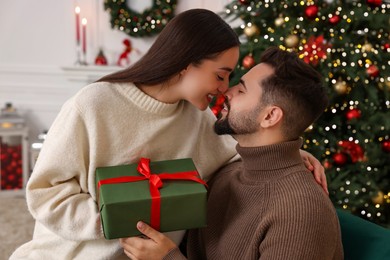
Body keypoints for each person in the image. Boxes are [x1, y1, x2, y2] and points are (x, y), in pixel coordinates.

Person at [10, 10, 326, 260]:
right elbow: (44, 192)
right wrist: (116, 221)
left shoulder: (198, 116)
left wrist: (292, 153)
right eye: (220, 75)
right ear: (185, 64)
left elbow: (236, 154)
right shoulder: (94, 105)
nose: (223, 89)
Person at [119, 47, 344, 260]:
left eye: (242, 89)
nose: (227, 91)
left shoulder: (301, 213)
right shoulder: (229, 172)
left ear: (269, 116)